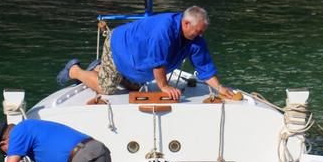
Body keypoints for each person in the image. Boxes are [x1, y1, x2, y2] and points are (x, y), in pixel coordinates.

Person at [57, 6, 234, 101]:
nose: (200, 35)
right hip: (119, 46)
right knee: (107, 89)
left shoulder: (195, 38)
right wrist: (164, 87)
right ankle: (75, 70)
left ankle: (99, 67)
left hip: (138, 59)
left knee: (135, 87)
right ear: (186, 23)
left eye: (202, 32)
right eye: (198, 31)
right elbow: (158, 63)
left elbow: (204, 66)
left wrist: (219, 88)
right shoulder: (163, 30)